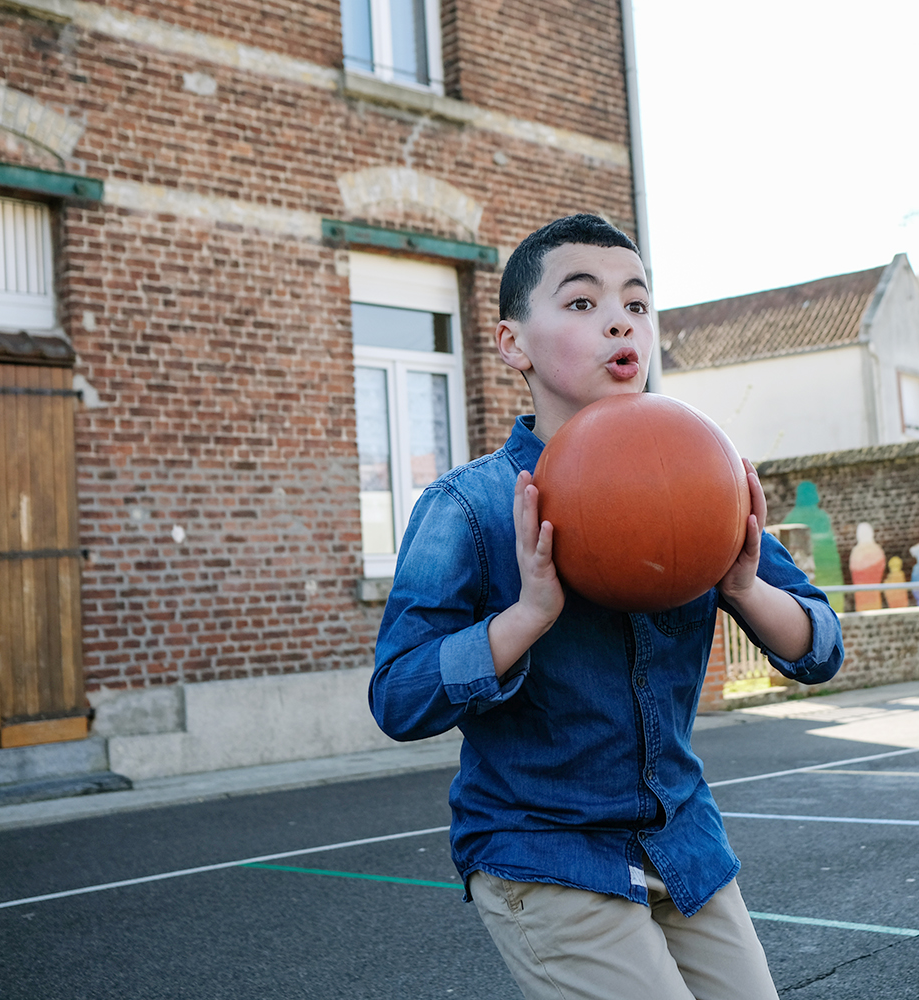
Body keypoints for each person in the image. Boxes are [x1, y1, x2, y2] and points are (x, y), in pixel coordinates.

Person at [370, 214, 843, 1000]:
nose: (621, 319)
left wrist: (744, 587)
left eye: (637, 302)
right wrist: (526, 616)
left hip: (683, 842)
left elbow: (821, 645)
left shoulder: (705, 471)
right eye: (582, 303)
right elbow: (398, 696)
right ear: (513, 344)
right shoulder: (469, 507)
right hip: (542, 851)